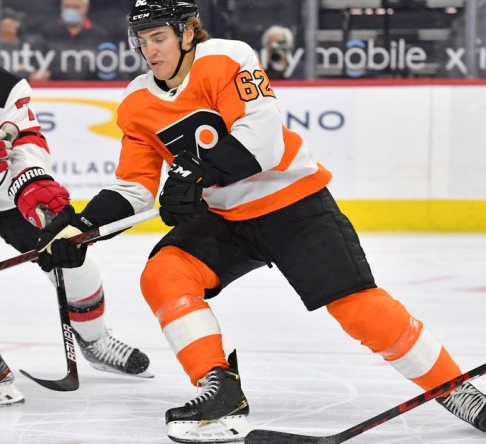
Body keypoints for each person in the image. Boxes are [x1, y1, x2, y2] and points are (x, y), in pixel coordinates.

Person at [35, 0, 486, 441]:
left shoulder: (228, 58)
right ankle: (219, 388)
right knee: (164, 274)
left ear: (187, 33)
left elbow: (263, 141)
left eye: (159, 37)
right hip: (228, 218)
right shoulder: (136, 102)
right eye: (142, 40)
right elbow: (134, 187)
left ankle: (457, 390)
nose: (150, 49)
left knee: (357, 306)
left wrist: (196, 172)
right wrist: (81, 225)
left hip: (293, 204)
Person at [0, 6, 152, 409]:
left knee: (74, 256)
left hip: (5, 195)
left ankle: (95, 339)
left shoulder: (10, 90)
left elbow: (29, 143)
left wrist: (33, 184)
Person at [40, 0, 112, 80]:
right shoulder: (49, 32)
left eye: (76, 7)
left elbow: (106, 65)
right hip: (55, 86)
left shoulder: (99, 34)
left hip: (90, 86)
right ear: (61, 7)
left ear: (86, 8)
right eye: (67, 7)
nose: (71, 11)